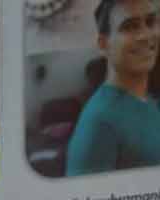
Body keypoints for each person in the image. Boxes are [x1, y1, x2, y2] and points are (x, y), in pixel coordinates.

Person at [66, 0, 160, 175]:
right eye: (130, 26)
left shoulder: (149, 101)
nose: (146, 35)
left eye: (150, 22)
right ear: (103, 44)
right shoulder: (99, 123)